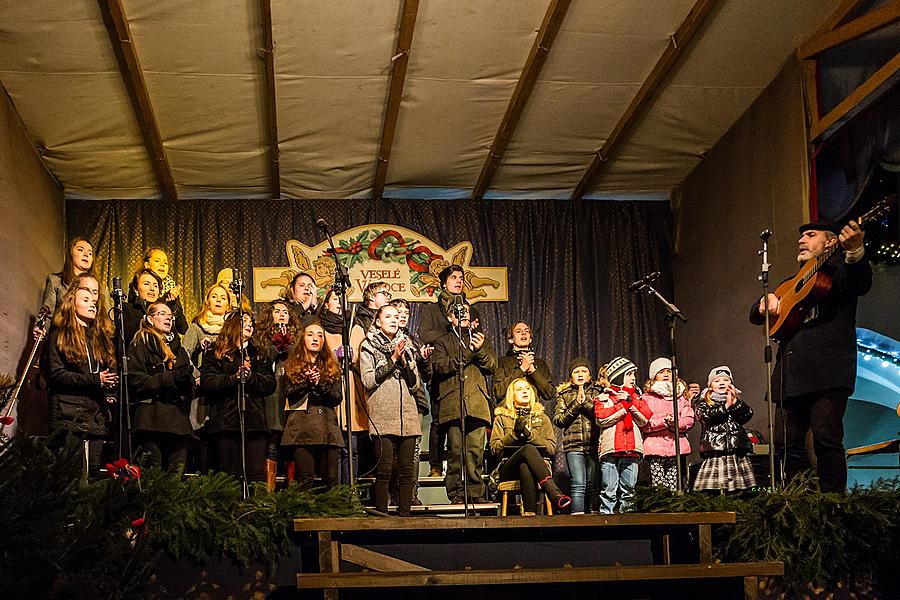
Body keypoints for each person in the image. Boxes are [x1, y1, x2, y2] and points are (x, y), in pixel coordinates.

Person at [750, 219, 871, 493]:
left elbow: (860, 282)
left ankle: (832, 502)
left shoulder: (840, 272)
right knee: (784, 444)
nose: (802, 240)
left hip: (828, 371)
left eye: (811, 235)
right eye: (801, 236)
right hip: (791, 373)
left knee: (826, 437)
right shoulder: (791, 282)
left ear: (830, 242)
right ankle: (803, 500)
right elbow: (755, 315)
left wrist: (854, 252)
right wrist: (761, 305)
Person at [42, 273, 118, 477]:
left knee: (93, 471)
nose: (92, 304)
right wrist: (96, 380)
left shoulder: (101, 339)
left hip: (95, 413)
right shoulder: (60, 335)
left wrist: (111, 387)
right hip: (68, 412)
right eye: (86, 300)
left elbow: (108, 371)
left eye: (95, 301)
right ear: (71, 302)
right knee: (70, 472)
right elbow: (57, 374)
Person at [430, 303, 496, 504]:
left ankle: (475, 493)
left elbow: (492, 365)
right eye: (458, 312)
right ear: (450, 318)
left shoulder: (480, 338)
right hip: (453, 404)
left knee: (475, 452)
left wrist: (479, 349)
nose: (463, 315)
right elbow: (441, 366)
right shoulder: (442, 342)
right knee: (456, 453)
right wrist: (469, 352)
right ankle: (457, 494)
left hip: (476, 404)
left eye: (466, 311)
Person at [360, 305, 422, 515]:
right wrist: (392, 359)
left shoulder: (407, 345)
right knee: (384, 470)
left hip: (407, 416)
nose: (394, 320)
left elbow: (415, 385)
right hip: (382, 415)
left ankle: (405, 514)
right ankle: (381, 515)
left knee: (406, 472)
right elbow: (368, 380)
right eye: (388, 316)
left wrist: (404, 362)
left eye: (396, 317)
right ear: (378, 321)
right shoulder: (368, 346)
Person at [199, 313, 275, 484]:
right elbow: (208, 382)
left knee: (255, 476)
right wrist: (234, 378)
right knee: (229, 476)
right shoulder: (215, 352)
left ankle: (254, 510)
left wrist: (250, 377)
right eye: (244, 321)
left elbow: (270, 384)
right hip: (226, 422)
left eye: (251, 322)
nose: (249, 325)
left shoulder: (258, 353)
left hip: (255, 422)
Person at [128, 301, 195, 472]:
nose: (168, 318)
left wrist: (189, 382)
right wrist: (170, 378)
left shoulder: (178, 349)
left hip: (177, 420)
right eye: (162, 314)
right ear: (150, 319)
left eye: (170, 316)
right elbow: (137, 381)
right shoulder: (140, 343)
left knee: (176, 476)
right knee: (152, 474)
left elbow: (186, 382)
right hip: (151, 418)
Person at [281, 318, 344, 491]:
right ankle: (304, 516)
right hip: (302, 428)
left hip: (327, 429)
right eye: (310, 335)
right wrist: (308, 383)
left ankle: (332, 516)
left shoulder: (332, 366)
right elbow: (289, 394)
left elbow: (337, 398)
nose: (315, 338)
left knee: (331, 479)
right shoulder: (292, 365)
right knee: (305, 478)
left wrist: (319, 384)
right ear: (303, 339)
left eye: (320, 335)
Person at [490, 378, 571, 515]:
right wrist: (514, 434)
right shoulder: (502, 418)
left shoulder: (543, 418)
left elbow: (551, 448)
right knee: (527, 450)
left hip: (537, 466)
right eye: (519, 389)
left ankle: (529, 514)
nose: (524, 391)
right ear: (512, 395)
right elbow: (494, 449)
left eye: (527, 388)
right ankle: (553, 492)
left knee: (525, 464)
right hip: (508, 467)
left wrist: (530, 435)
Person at [317, 289, 368, 484]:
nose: (340, 303)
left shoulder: (355, 327)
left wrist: (353, 357)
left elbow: (363, 359)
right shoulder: (320, 327)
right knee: (334, 449)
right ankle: (335, 494)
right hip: (330, 389)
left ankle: (351, 492)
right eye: (335, 299)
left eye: (343, 299)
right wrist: (333, 360)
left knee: (351, 447)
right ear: (327, 303)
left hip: (352, 389)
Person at [253, 299, 301, 491]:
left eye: (285, 311)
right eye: (277, 310)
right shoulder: (260, 339)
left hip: (291, 393)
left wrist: (288, 346)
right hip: (271, 395)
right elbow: (262, 363)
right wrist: (276, 347)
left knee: (291, 443)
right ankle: (268, 493)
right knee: (272, 442)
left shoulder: (297, 339)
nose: (282, 314)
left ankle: (292, 494)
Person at [594, 357, 652, 514]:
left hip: (631, 449)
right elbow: (602, 418)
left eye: (634, 374)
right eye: (629, 374)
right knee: (609, 488)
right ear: (619, 377)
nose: (633, 378)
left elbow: (645, 418)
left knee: (629, 488)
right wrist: (622, 405)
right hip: (611, 449)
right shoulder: (603, 398)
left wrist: (630, 402)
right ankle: (606, 517)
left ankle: (628, 518)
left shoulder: (637, 398)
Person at [552, 357, 604, 515]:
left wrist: (586, 403)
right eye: (576, 371)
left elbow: (602, 415)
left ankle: (595, 514)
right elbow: (558, 420)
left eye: (584, 371)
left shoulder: (598, 391)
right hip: (573, 446)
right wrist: (576, 404)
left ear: (589, 375)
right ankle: (578, 516)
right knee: (578, 483)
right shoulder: (564, 394)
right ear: (570, 376)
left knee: (594, 482)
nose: (580, 374)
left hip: (594, 444)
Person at [693, 366, 755, 492]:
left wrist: (735, 403)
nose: (721, 383)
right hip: (716, 451)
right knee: (715, 488)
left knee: (739, 488)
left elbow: (746, 415)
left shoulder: (735, 401)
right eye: (717, 381)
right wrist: (726, 406)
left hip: (736, 452)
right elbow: (707, 417)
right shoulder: (704, 402)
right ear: (710, 386)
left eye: (725, 380)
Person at [640, 357, 694, 491]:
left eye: (669, 371)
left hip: (675, 445)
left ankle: (672, 507)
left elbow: (689, 419)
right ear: (654, 377)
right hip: (655, 446)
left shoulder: (681, 397)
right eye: (661, 372)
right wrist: (665, 420)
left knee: (673, 482)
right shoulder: (647, 398)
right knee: (658, 484)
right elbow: (645, 422)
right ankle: (659, 507)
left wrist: (675, 423)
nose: (665, 374)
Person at [492, 321, 555, 412]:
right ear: (511, 339)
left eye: (527, 331)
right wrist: (522, 369)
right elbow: (499, 392)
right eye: (518, 331)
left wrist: (533, 371)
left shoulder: (540, 364)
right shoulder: (502, 362)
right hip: (509, 417)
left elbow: (550, 393)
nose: (523, 333)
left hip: (533, 416)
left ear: (530, 339)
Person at [135, 247, 188, 335]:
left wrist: (173, 305)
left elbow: (183, 329)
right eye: (157, 261)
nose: (162, 265)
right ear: (147, 265)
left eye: (165, 263)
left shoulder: (171, 290)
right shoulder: (138, 285)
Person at [122, 268, 164, 347]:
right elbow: (130, 337)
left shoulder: (164, 313)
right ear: (136, 289)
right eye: (146, 284)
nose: (152, 288)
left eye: (155, 285)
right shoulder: (127, 309)